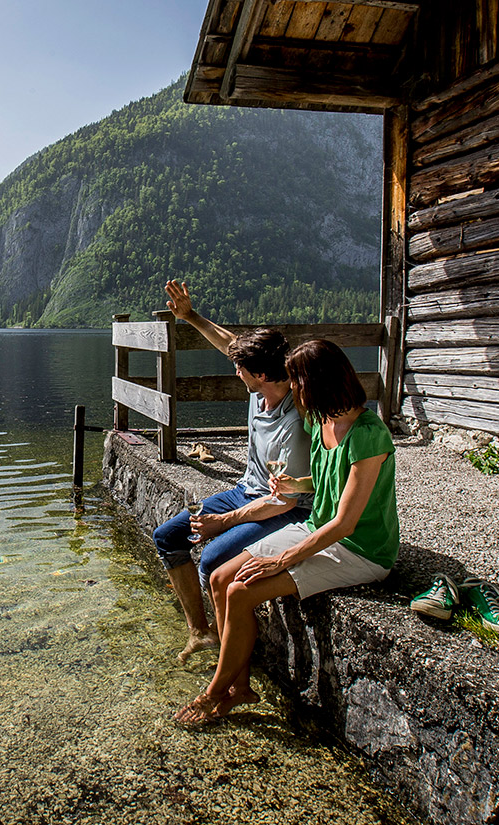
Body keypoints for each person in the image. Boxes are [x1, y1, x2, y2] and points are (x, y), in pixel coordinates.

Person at [174, 338, 398, 724]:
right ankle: (239, 687)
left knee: (242, 591)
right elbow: (330, 482)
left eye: (295, 380)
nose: (290, 387)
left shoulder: (369, 434)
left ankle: (213, 694)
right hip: (317, 527)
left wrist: (280, 560)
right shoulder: (321, 419)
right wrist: (298, 484)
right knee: (220, 577)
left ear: (317, 382)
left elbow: (345, 522)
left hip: (359, 548)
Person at [153, 281, 312, 663]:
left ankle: (234, 657)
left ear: (260, 373)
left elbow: (285, 499)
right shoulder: (261, 387)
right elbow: (230, 343)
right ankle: (200, 632)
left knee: (214, 561)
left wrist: (223, 521)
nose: (234, 370)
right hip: (248, 490)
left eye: (239, 368)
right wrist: (191, 316)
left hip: (286, 506)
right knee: (167, 536)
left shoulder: (298, 419)